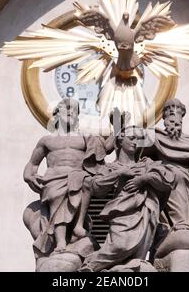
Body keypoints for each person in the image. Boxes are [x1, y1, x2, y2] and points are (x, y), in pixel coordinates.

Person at [80, 126, 175, 272]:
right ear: (120, 140)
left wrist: (143, 179)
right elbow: (96, 187)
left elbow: (168, 179)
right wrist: (119, 173)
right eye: (131, 138)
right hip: (122, 213)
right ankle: (90, 265)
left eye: (138, 139)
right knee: (120, 245)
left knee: (138, 254)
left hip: (145, 212)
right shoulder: (111, 167)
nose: (136, 142)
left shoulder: (145, 164)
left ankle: (130, 265)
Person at [23, 98, 106, 253]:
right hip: (54, 178)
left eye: (74, 109)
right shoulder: (47, 140)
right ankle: (60, 241)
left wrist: (118, 129)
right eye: (67, 107)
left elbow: (104, 150)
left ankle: (78, 226)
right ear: (57, 113)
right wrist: (29, 175)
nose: (70, 111)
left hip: (78, 177)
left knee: (86, 180)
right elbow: (32, 164)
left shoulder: (84, 137)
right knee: (58, 195)